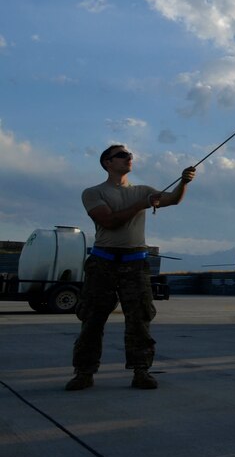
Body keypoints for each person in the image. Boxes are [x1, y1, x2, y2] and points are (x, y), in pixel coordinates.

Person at [66, 145, 196, 392]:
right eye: (122, 155)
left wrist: (183, 182)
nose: (129, 158)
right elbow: (109, 221)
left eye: (130, 155)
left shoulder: (143, 190)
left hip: (135, 263)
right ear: (107, 162)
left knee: (140, 320)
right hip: (103, 263)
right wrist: (142, 204)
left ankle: (141, 371)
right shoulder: (93, 193)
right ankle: (84, 373)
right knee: (92, 320)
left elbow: (172, 200)